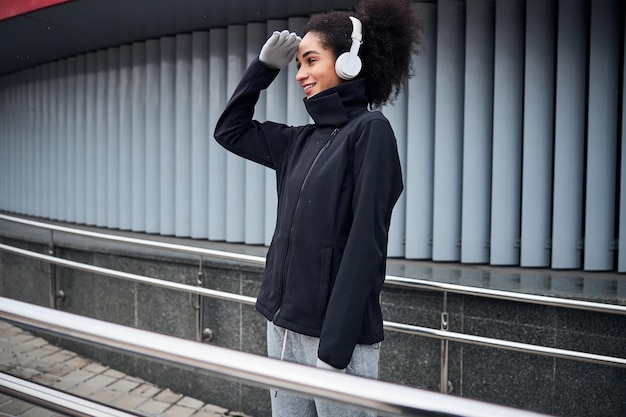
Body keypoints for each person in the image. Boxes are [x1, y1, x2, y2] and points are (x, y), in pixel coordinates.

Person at [214, 0, 419, 415]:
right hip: (283, 326)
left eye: (311, 60)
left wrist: (335, 346)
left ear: (347, 63)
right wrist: (262, 69)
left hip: (334, 338)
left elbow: (367, 240)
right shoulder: (298, 140)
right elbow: (230, 131)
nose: (301, 74)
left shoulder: (371, 132)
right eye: (296, 66)